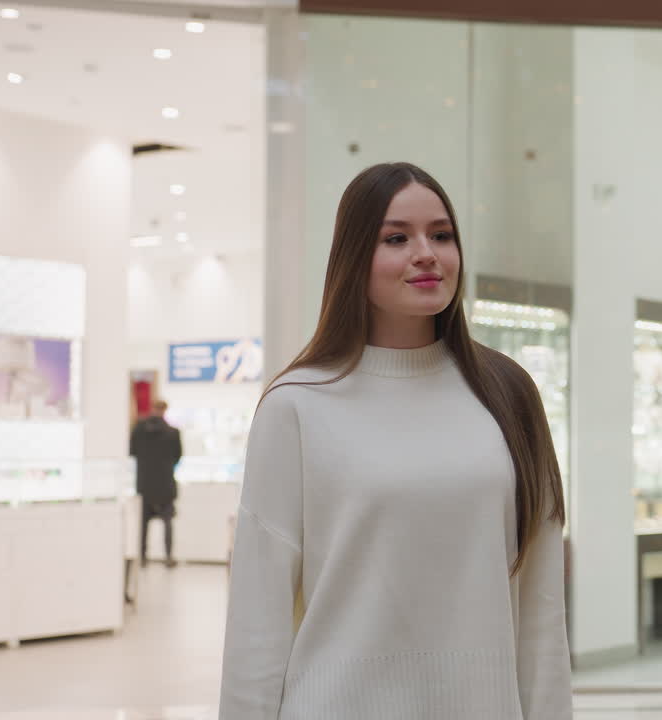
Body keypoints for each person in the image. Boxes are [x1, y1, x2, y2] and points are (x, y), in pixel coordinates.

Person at [219, 163, 572, 719]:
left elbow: (542, 611)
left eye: (442, 234)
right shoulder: (297, 404)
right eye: (396, 238)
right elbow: (255, 624)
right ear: (354, 257)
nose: (426, 252)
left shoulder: (508, 395)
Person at [130, 399, 182, 568]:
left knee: (143, 524)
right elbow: (177, 456)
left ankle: (143, 557)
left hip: (145, 484)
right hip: (165, 484)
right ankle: (168, 557)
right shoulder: (173, 433)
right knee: (167, 523)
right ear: (165, 410)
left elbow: (132, 452)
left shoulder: (138, 429)